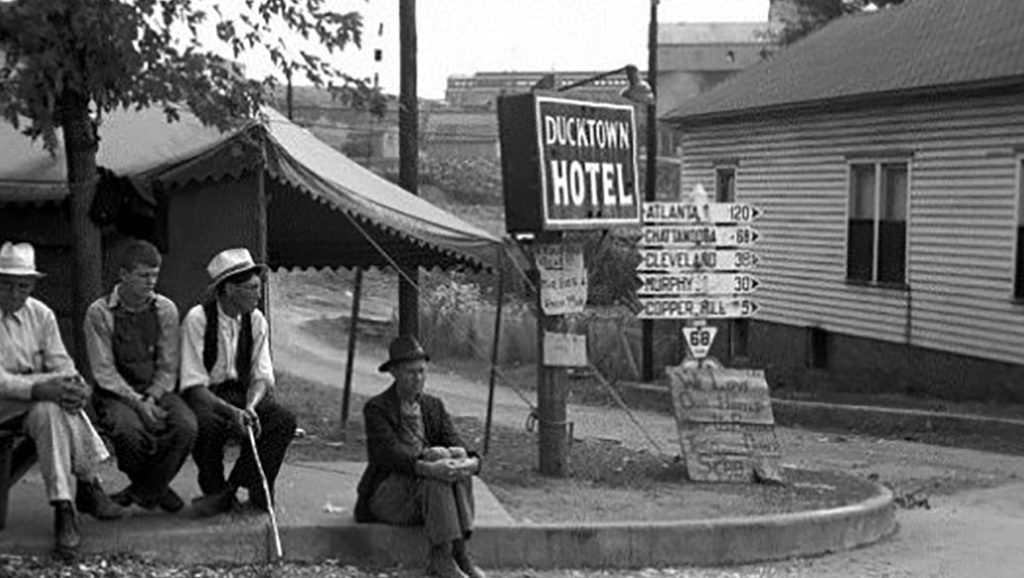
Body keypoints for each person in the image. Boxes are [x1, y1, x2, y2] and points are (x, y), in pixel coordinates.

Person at [0, 241, 126, 558]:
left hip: (35, 405)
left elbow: (62, 364)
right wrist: (44, 385)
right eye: (7, 285)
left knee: (52, 409)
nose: (15, 293)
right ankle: (87, 482)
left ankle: (63, 507)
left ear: (32, 285)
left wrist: (75, 385)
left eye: (23, 286)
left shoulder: (40, 314)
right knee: (51, 399)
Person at [354, 334, 487, 578]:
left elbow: (456, 442)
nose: (418, 378)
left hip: (428, 494)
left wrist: (470, 463)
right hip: (390, 496)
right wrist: (431, 467)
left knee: (453, 455)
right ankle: (442, 556)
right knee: (437, 458)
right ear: (394, 372)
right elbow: (390, 456)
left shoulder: (433, 406)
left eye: (422, 372)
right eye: (410, 372)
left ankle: (459, 554)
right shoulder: (377, 408)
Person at [179, 247, 296, 517]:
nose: (258, 294)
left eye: (258, 287)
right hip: (207, 397)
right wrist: (231, 413)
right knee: (206, 426)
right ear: (229, 289)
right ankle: (214, 488)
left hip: (243, 395)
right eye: (250, 288)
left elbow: (261, 375)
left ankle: (236, 489)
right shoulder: (198, 319)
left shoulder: (256, 320)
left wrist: (251, 406)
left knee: (282, 420)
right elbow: (193, 384)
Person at [84, 239, 197, 513]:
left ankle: (143, 490)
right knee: (128, 431)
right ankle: (156, 489)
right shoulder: (99, 312)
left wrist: (153, 396)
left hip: (156, 389)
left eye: (155, 275)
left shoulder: (165, 309)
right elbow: (104, 371)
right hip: (116, 393)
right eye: (143, 275)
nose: (151, 282)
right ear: (123, 275)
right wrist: (138, 403)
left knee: (186, 426)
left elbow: (169, 366)